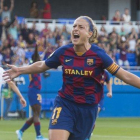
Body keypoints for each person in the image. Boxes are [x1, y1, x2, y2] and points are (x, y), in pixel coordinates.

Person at [3, 16, 140, 140]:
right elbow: (42, 65)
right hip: (65, 103)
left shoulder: (99, 55)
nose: (76, 29)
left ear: (89, 34)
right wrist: (20, 70)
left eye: (81, 27)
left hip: (88, 109)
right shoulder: (64, 52)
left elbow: (125, 75)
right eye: (74, 26)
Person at [15, 46, 48, 140]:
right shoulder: (33, 65)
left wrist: (45, 50)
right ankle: (38, 136)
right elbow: (37, 55)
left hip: (36, 91)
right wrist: (37, 46)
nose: (40, 59)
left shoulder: (38, 64)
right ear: (35, 59)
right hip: (33, 90)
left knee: (36, 114)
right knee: (36, 113)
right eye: (38, 58)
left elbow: (40, 56)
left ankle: (20, 131)